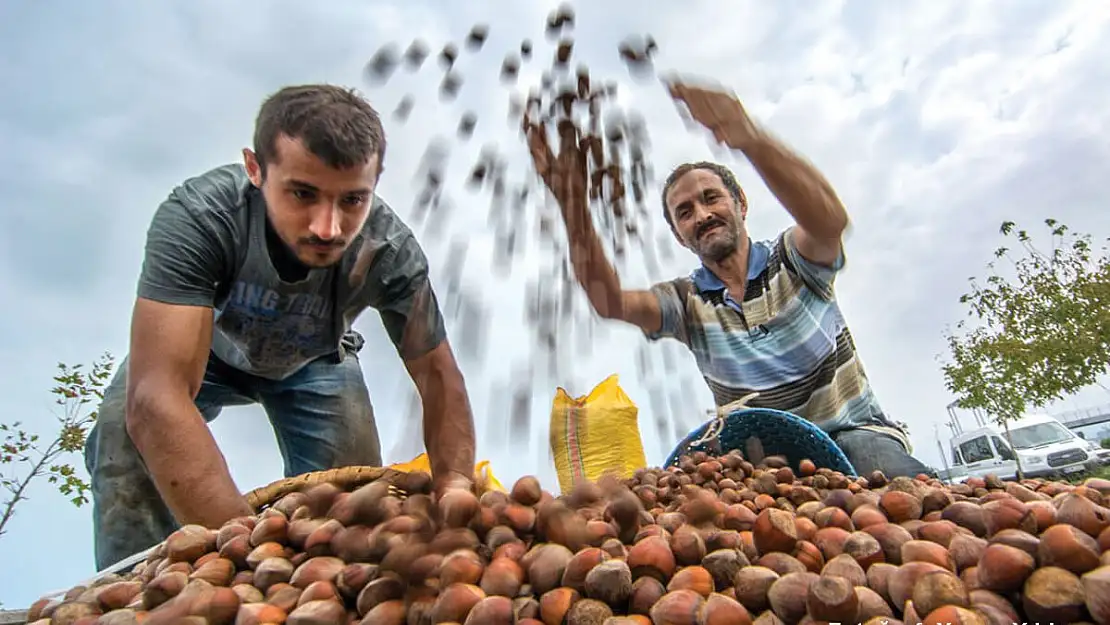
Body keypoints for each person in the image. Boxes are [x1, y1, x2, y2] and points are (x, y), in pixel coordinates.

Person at [83, 84, 478, 571]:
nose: (328, 227)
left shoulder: (389, 251)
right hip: (207, 352)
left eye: (353, 199)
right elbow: (156, 398)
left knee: (355, 503)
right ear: (255, 169)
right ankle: (130, 595)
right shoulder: (203, 217)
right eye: (302, 194)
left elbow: (438, 376)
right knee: (123, 437)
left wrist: (457, 484)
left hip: (316, 363)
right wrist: (251, 563)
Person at [522, 78, 934, 478]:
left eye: (710, 198)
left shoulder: (791, 259)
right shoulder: (686, 302)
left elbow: (829, 222)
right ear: (679, 236)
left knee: (893, 482)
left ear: (740, 204)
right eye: (684, 212)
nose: (701, 215)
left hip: (854, 435)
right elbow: (609, 302)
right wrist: (571, 203)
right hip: (759, 462)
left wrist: (747, 134)